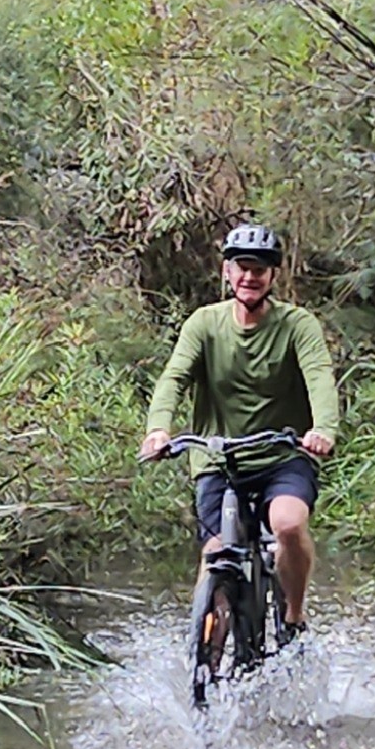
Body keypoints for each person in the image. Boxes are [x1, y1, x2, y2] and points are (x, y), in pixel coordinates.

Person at [139, 223, 339, 636]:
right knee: (215, 553)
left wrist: (322, 429)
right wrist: (158, 430)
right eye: (242, 267)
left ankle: (294, 616)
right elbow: (174, 377)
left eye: (260, 269)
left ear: (273, 276)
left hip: (282, 454)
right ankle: (205, 648)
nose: (250, 276)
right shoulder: (204, 324)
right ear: (227, 271)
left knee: (286, 524)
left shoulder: (296, 325)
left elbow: (319, 376)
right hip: (218, 456)